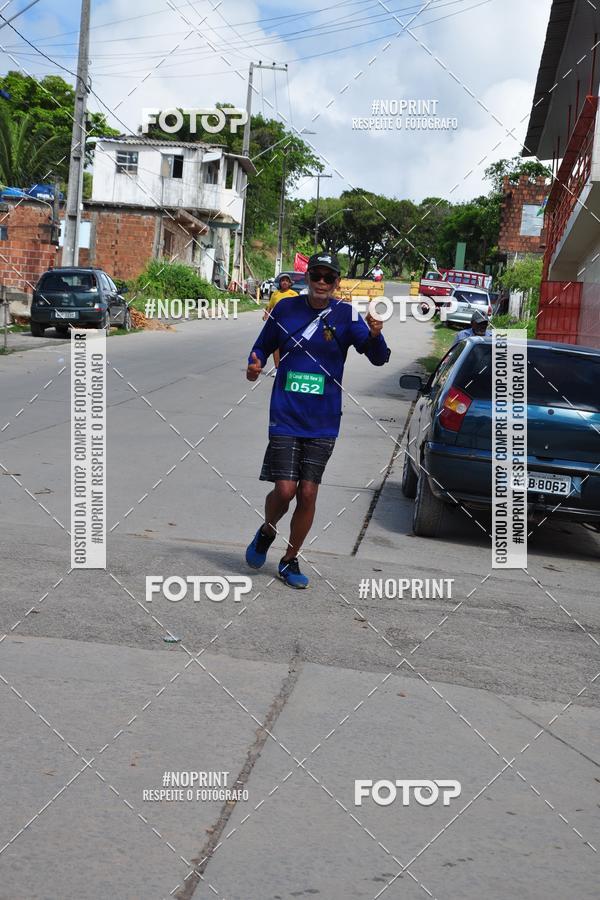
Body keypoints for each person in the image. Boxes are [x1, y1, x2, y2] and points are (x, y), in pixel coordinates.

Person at [245, 252, 391, 589]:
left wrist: (375, 333)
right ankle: (267, 530)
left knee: (308, 493)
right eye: (316, 276)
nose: (322, 283)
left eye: (329, 278)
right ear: (307, 277)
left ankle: (289, 559)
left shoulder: (346, 315)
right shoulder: (285, 309)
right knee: (285, 490)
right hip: (285, 413)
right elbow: (261, 348)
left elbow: (379, 357)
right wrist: (254, 364)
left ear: (337, 282)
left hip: (323, 419)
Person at [264, 274, 299, 370]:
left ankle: (287, 366)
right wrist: (266, 315)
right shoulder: (275, 294)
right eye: (282, 280)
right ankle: (277, 368)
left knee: (288, 345)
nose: (284, 282)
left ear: (290, 283)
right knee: (276, 346)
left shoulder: (293, 294)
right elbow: (269, 306)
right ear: (279, 283)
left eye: (287, 281)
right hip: (276, 323)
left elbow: (299, 308)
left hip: (289, 323)